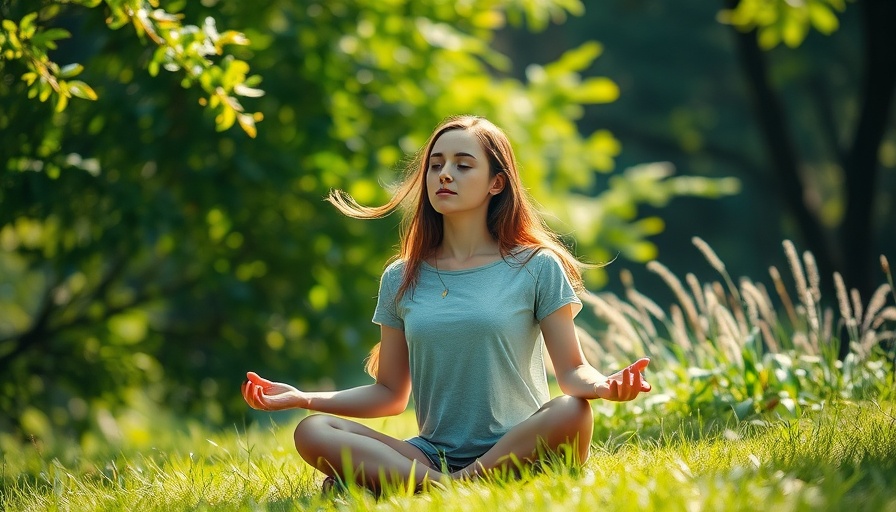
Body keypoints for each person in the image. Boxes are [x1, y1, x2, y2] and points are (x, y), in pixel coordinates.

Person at [241, 115, 651, 494]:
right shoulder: (400, 276)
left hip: (520, 442)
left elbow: (572, 371)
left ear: (497, 183)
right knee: (313, 431)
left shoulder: (536, 266)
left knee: (571, 411)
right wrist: (301, 397)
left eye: (463, 164)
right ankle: (450, 485)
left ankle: (410, 485)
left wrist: (604, 386)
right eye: (436, 165)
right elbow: (389, 394)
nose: (445, 174)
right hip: (431, 452)